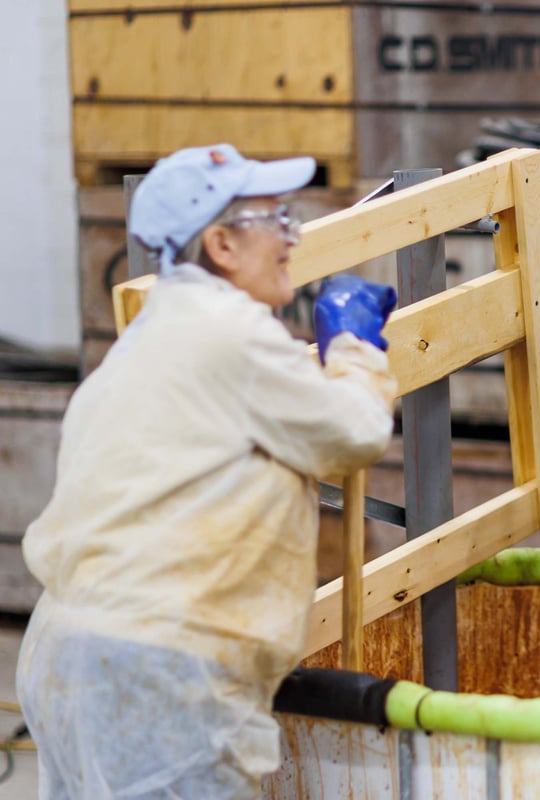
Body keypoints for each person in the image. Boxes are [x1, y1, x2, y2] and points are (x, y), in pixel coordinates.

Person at [16, 143, 400, 798]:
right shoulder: (230, 333)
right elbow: (354, 431)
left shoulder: (145, 344)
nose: (294, 236)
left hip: (68, 658)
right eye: (275, 219)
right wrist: (353, 347)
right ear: (221, 245)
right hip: (160, 676)